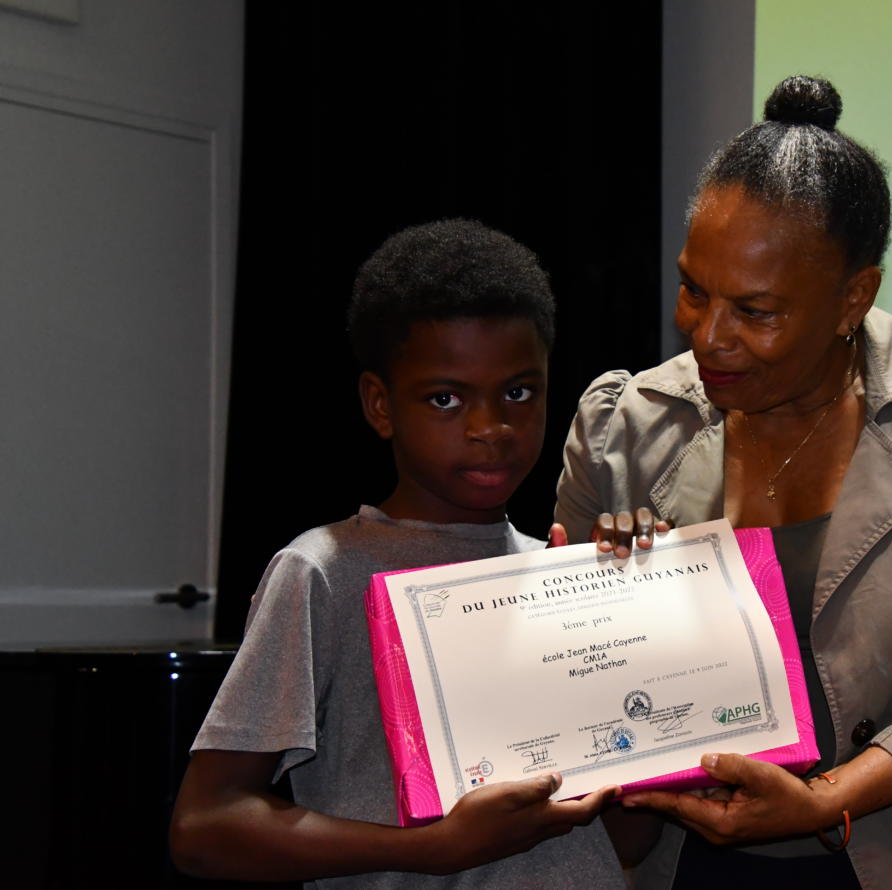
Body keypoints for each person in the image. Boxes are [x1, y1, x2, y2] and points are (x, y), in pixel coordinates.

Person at [554, 75, 892, 890]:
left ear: (853, 297)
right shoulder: (625, 423)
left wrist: (822, 801)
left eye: (755, 312)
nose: (707, 336)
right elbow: (576, 687)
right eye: (693, 290)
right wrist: (585, 606)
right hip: (686, 866)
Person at [170, 219, 629, 889]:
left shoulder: (562, 573)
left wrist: (641, 606)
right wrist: (433, 848)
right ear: (380, 405)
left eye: (518, 392)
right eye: (446, 399)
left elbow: (629, 836)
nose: (491, 428)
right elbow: (205, 827)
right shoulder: (323, 572)